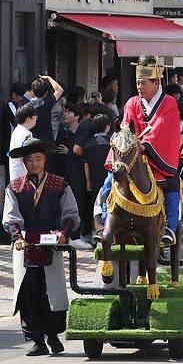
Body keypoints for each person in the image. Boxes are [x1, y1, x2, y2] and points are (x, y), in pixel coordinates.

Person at [3, 138, 80, 356]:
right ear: (24, 163)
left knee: (52, 293)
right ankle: (37, 339)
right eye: (30, 159)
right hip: (25, 245)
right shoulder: (15, 187)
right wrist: (17, 237)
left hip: (51, 244)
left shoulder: (59, 184)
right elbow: (12, 217)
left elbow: (70, 213)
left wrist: (64, 234)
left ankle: (54, 336)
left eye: (38, 158)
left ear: (44, 159)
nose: (34, 163)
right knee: (28, 294)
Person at [103, 55, 181, 245]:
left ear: (156, 82)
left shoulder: (168, 102)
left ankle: (170, 227)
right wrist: (130, 144)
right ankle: (104, 220)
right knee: (108, 182)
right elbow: (125, 128)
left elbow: (162, 129)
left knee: (171, 183)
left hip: (156, 157)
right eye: (138, 83)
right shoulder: (132, 103)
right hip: (131, 155)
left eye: (144, 83)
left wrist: (143, 144)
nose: (140, 87)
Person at [54, 103, 91, 249]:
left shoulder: (82, 132)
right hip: (62, 172)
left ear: (77, 117)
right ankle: (68, 234)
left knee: (78, 201)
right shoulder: (62, 133)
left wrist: (69, 152)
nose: (65, 113)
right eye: (65, 111)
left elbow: (81, 154)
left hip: (77, 172)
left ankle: (76, 234)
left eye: (69, 112)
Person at [83, 114, 111, 242]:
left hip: (94, 179)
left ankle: (97, 234)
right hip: (110, 180)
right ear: (107, 127)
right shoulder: (112, 142)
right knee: (109, 205)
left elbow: (86, 164)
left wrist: (88, 182)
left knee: (96, 206)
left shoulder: (88, 144)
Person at [26, 75, 64, 146]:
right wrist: (49, 78)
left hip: (32, 144)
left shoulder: (26, 107)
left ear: (33, 91)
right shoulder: (47, 103)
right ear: (46, 93)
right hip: (47, 143)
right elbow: (59, 90)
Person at [2, 82, 29, 179]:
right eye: (20, 96)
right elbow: (18, 121)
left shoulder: (16, 105)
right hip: (9, 144)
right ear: (14, 95)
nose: (21, 98)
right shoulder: (10, 106)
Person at [8, 105, 37, 181]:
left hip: (17, 173)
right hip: (23, 175)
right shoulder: (25, 135)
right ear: (28, 119)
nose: (36, 119)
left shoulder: (18, 130)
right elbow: (28, 157)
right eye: (35, 117)